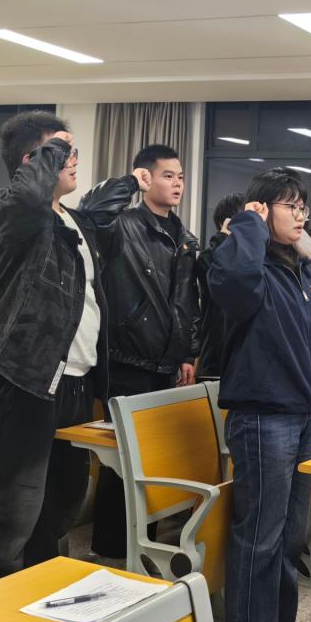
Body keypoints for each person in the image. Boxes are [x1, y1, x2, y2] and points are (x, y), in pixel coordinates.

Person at [0, 111, 138, 586]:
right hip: (24, 377)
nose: (74, 159)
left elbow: (102, 210)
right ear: (33, 160)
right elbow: (27, 196)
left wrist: (131, 181)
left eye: (73, 150)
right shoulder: (12, 210)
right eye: (63, 151)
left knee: (60, 504)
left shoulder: (71, 219)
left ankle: (34, 598)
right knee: (10, 511)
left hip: (74, 379)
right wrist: (52, 150)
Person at [209, 168, 311, 622]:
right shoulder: (245, 261)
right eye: (290, 206)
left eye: (303, 206)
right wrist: (247, 225)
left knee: (289, 538)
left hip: (302, 415)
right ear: (262, 210)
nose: (301, 215)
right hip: (264, 417)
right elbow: (235, 290)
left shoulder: (302, 268)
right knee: (260, 538)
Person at [81, 144, 201, 559]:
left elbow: (186, 302)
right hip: (127, 359)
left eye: (181, 176)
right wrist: (129, 183)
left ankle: (142, 544)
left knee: (152, 458)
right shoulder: (123, 225)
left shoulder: (184, 237)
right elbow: (91, 211)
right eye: (167, 175)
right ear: (147, 178)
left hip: (166, 361)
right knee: (123, 461)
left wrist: (186, 353)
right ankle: (111, 548)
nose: (177, 184)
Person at [196, 192, 245, 378]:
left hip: (245, 357)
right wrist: (224, 239)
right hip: (217, 355)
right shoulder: (208, 257)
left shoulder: (255, 258)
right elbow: (221, 283)